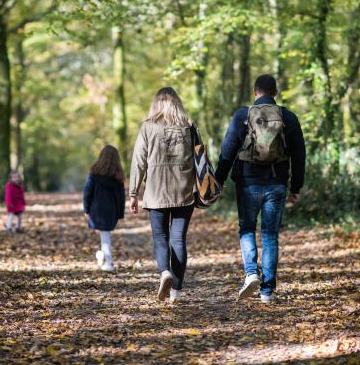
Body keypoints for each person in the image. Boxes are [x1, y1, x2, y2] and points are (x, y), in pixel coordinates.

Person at [215, 74, 305, 303]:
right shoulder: (288, 117)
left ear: (255, 92)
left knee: (246, 229)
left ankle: (251, 273)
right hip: (276, 183)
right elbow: (299, 154)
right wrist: (296, 186)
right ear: (275, 92)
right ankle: (267, 292)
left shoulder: (242, 116)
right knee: (270, 235)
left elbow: (227, 151)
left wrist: (218, 180)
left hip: (247, 182)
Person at [129, 87, 196, 304]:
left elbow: (138, 161)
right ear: (177, 103)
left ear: (157, 103)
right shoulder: (189, 126)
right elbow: (201, 158)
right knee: (178, 239)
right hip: (184, 191)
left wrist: (133, 193)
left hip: (156, 191)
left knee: (160, 237)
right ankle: (176, 291)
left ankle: (164, 272)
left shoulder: (148, 127)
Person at [83, 145, 126, 273]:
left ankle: (107, 261)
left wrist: (86, 210)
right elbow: (121, 197)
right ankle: (105, 259)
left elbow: (87, 192)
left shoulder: (93, 174)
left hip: (96, 211)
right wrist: (120, 213)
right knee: (105, 235)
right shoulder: (118, 177)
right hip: (111, 212)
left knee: (104, 235)